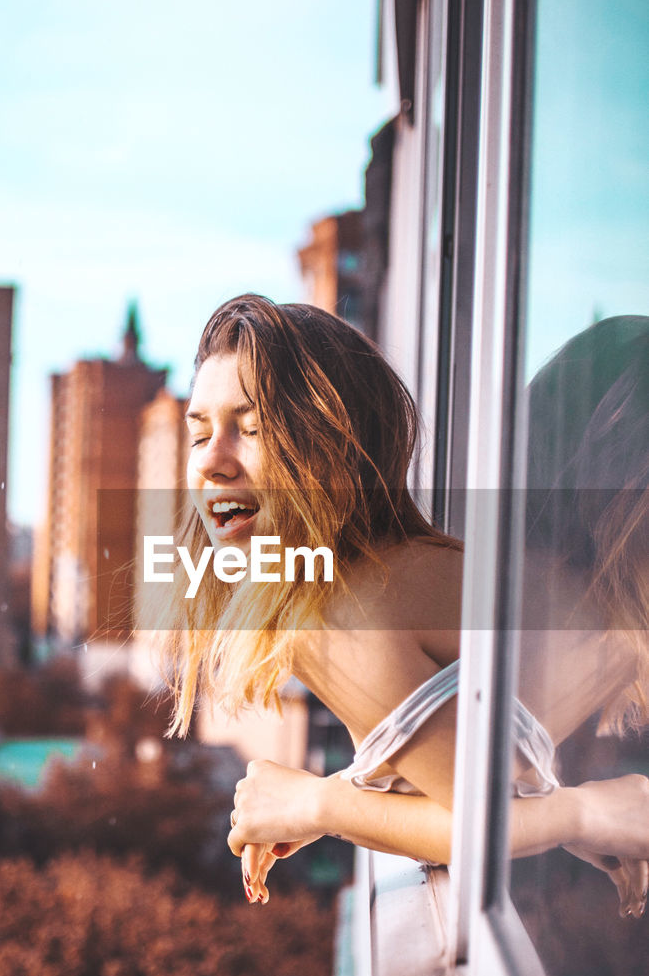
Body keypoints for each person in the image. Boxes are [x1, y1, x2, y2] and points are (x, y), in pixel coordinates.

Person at [161, 295, 649, 915]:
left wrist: (320, 804)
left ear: (330, 446)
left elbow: (478, 821)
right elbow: (469, 779)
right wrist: (337, 793)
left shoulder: (340, 615)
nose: (209, 460)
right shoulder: (382, 582)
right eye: (199, 434)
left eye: (252, 429)